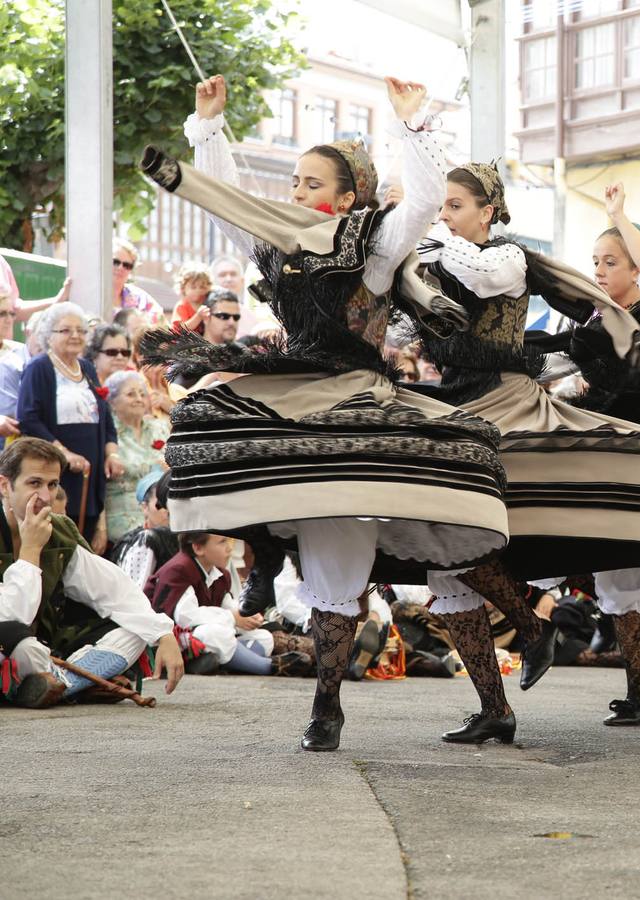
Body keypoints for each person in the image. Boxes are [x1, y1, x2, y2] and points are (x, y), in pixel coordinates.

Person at [137, 72, 512, 751]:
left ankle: (499, 662)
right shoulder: (283, 247)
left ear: (349, 198)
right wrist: (210, 127)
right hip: (292, 394)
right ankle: (326, 705)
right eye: (297, 183)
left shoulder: (372, 248)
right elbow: (230, 207)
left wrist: (409, 124)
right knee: (327, 553)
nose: (298, 193)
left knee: (429, 552)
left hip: (356, 402)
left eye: (314, 185)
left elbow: (424, 199)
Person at [414, 174, 640, 738]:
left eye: (610, 261)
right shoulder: (578, 321)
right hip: (545, 425)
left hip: (617, 446)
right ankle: (500, 697)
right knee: (451, 545)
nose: (598, 271)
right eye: (595, 261)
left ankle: (638, 692)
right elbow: (554, 363)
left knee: (620, 572)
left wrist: (622, 216)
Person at [0, 438, 183, 708]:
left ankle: (56, 683)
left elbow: (112, 589)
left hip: (45, 644)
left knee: (134, 631)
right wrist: (30, 551)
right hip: (9, 644)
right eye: (34, 483)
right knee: (20, 639)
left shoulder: (58, 530)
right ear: (5, 485)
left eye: (53, 484)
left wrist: (163, 634)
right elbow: (11, 616)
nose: (46, 497)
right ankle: (64, 682)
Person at [17, 302, 124, 548]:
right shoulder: (39, 367)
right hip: (59, 470)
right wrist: (62, 453)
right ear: (48, 334)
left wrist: (112, 453)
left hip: (91, 471)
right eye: (65, 330)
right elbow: (29, 419)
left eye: (80, 330)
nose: (75, 335)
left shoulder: (86, 368)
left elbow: (104, 416)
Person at [145, 531, 313, 676]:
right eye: (222, 542)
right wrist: (233, 618)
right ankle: (267, 667)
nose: (229, 548)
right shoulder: (180, 569)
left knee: (264, 637)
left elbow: (226, 604)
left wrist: (244, 615)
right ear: (198, 547)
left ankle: (224, 662)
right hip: (172, 639)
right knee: (214, 634)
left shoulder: (220, 572)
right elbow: (185, 616)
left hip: (204, 637)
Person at [102, 371, 169, 543]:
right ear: (112, 402)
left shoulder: (160, 428)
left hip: (162, 519)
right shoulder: (107, 437)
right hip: (122, 523)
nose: (139, 399)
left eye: (142, 393)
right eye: (131, 394)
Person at [109, 472, 177, 591]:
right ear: (145, 507)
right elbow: (132, 593)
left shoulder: (186, 537)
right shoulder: (141, 542)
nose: (169, 509)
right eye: (161, 503)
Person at [110, 238, 164, 324]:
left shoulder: (141, 298)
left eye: (127, 265)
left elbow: (162, 324)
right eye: (115, 262)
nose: (120, 267)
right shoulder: (91, 296)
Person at [0, 282, 29, 437]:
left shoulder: (20, 351)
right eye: (2, 313)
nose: (8, 319)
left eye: (11, 314)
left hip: (17, 437)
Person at [84, 322, 133, 387]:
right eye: (112, 352)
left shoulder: (134, 385)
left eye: (125, 353)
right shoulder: (84, 386)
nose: (120, 357)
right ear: (94, 355)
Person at [170, 262, 213, 330]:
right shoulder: (182, 306)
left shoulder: (209, 302)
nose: (198, 290)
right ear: (183, 288)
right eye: (193, 287)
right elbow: (181, 330)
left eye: (202, 287)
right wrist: (198, 317)